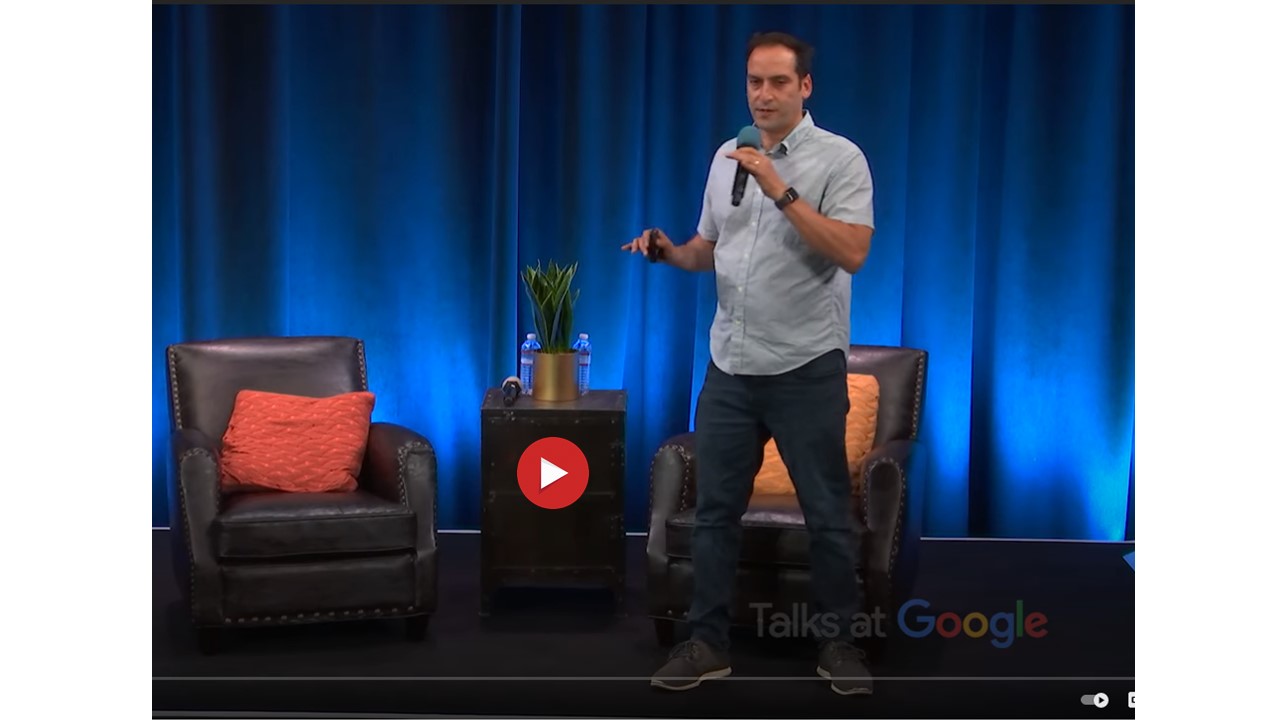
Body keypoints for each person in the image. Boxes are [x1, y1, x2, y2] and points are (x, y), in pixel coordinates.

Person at [621, 31, 876, 696]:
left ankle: (838, 644)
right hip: (730, 367)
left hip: (805, 367)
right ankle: (706, 644)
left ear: (805, 87)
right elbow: (709, 248)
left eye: (778, 83)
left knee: (827, 515)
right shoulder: (725, 157)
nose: (763, 95)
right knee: (714, 513)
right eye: (755, 82)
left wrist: (780, 188)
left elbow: (852, 252)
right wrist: (667, 251)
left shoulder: (841, 159)